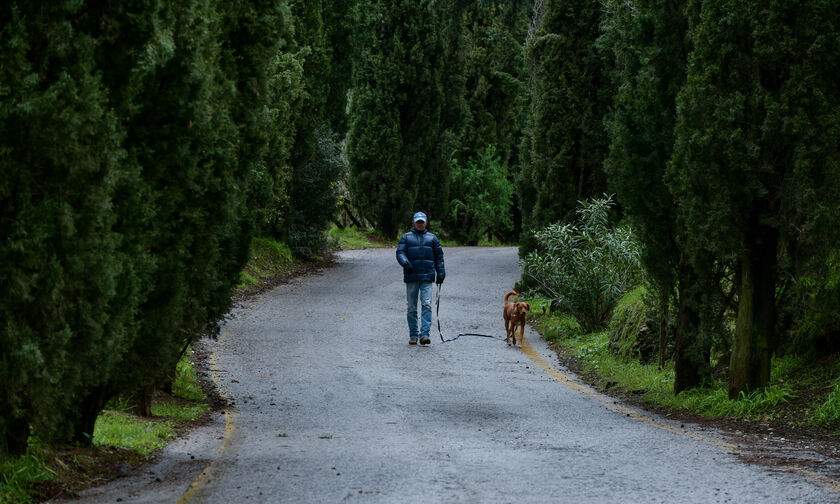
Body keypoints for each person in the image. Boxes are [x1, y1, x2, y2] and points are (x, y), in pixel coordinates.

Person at [396, 211, 445, 345]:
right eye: (418, 222)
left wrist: (441, 273)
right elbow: (400, 253)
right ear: (414, 222)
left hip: (427, 277)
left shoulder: (432, 239)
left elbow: (439, 258)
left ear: (425, 223)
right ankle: (413, 335)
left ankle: (424, 335)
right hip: (411, 277)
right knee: (411, 307)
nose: (420, 224)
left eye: (422, 222)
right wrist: (406, 263)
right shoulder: (406, 238)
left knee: (427, 305)